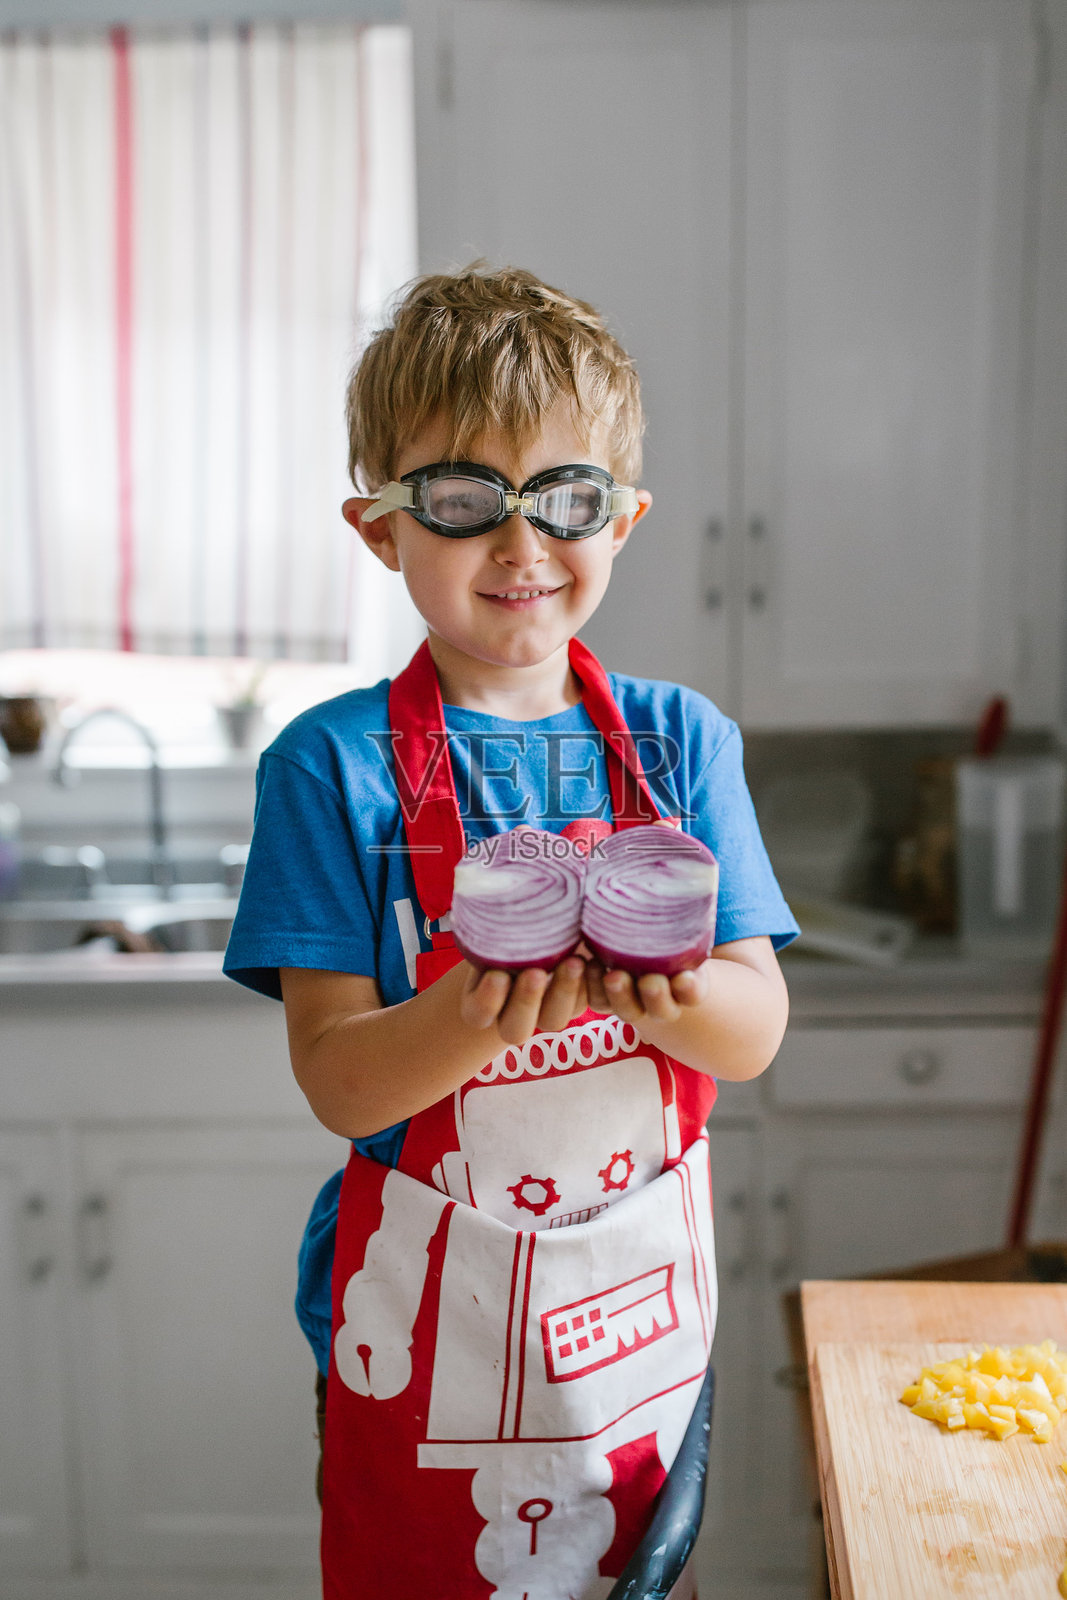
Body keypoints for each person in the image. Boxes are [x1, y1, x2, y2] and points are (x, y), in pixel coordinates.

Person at [224, 265, 798, 1600]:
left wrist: (660, 989)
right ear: (382, 529)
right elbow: (338, 1079)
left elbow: (755, 1030)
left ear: (627, 518)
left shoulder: (680, 744)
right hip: (429, 1336)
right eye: (465, 499)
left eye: (568, 498)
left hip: (633, 1331)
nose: (522, 543)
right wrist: (470, 1008)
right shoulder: (332, 767)